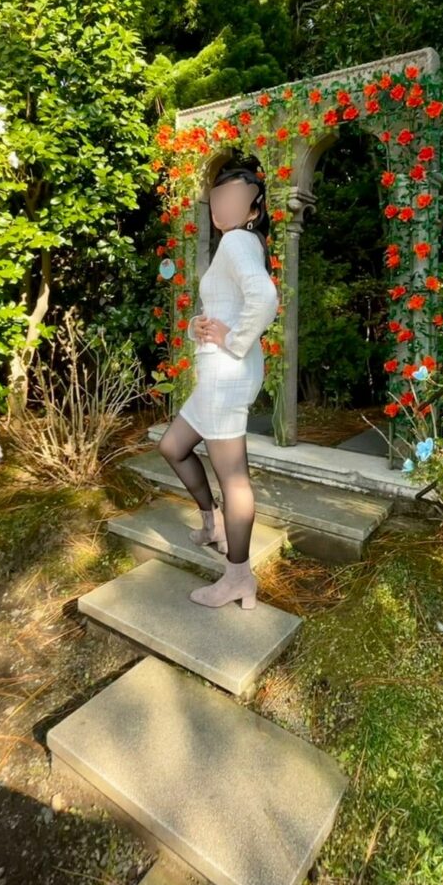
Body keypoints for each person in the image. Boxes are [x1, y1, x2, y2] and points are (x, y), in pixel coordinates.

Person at [157, 166, 280, 610]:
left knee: (234, 479)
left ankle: (238, 577)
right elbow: (221, 308)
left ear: (254, 207)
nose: (222, 205)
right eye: (217, 197)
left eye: (234, 196)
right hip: (216, 376)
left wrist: (232, 339)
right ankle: (212, 524)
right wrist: (200, 327)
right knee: (173, 446)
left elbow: (265, 299)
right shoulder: (236, 244)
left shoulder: (238, 241)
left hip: (226, 378)